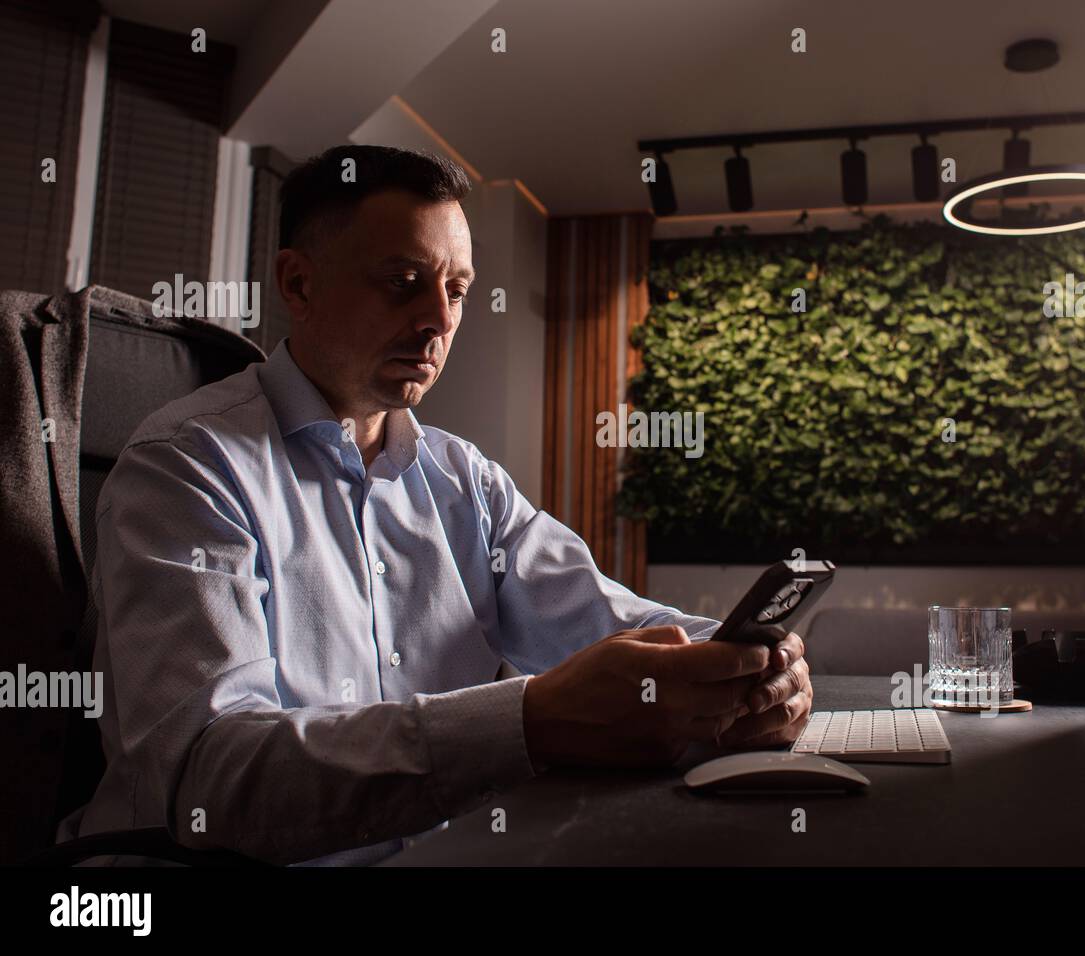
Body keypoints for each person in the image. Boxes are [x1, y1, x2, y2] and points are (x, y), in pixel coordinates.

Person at [62, 145, 812, 865]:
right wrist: (532, 720)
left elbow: (605, 615)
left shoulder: (463, 477)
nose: (439, 319)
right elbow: (210, 781)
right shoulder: (189, 466)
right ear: (297, 284)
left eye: (455, 289)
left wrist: (738, 658)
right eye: (402, 282)